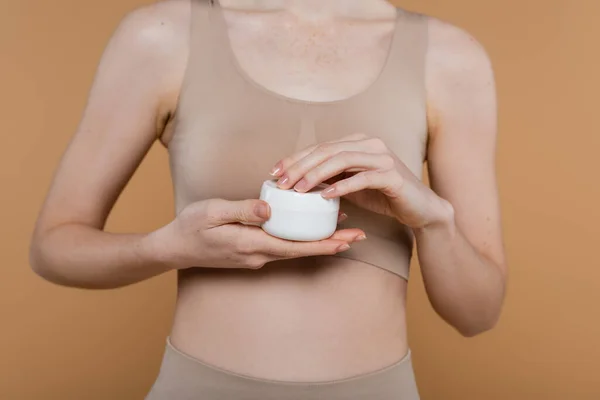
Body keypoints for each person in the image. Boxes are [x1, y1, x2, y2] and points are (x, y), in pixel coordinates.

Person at [29, 0, 507, 398]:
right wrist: (171, 247)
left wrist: (433, 220)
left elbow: (477, 314)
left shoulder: (449, 58)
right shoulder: (162, 36)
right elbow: (54, 249)